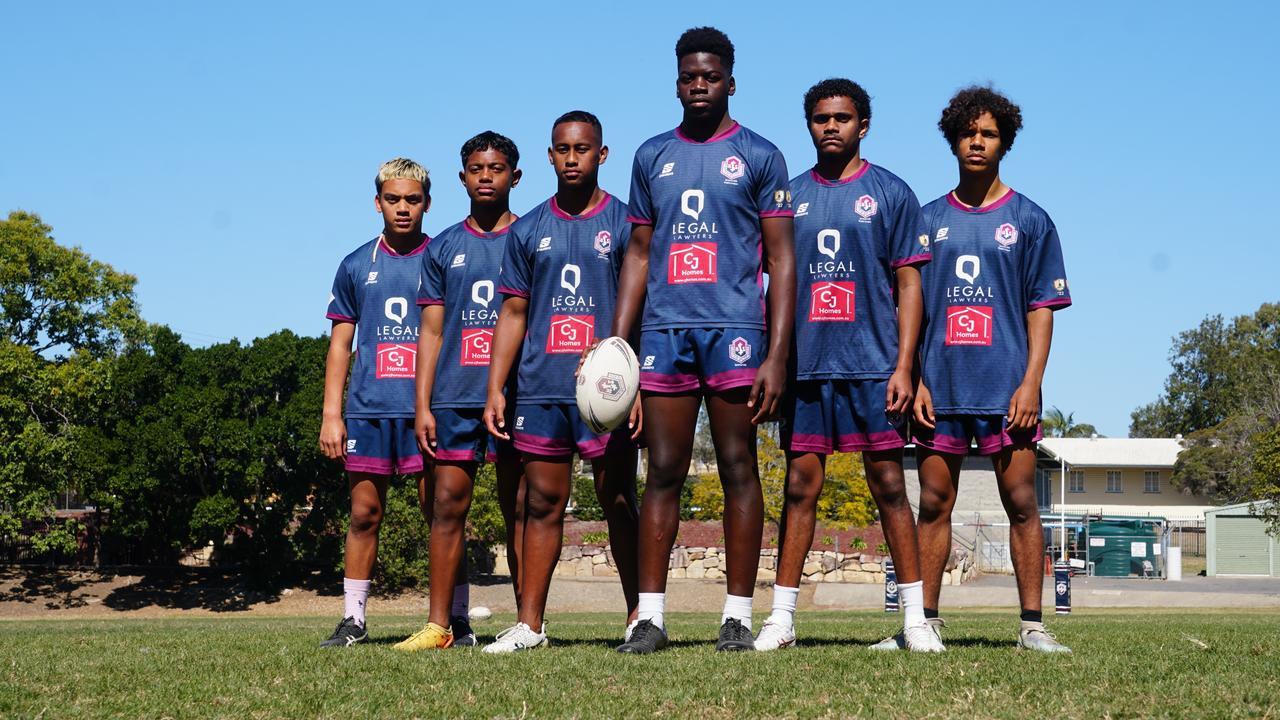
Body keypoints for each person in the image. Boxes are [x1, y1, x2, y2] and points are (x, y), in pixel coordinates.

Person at [612, 27, 796, 654]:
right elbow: (637, 254)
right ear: (676, 82)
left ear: (730, 83)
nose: (698, 85)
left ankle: (737, 616)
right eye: (689, 76)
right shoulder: (650, 155)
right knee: (661, 471)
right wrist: (618, 347)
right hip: (664, 330)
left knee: (739, 469)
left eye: (710, 76)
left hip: (737, 332)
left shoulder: (760, 154)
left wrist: (776, 353)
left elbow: (783, 259)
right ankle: (651, 618)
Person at [755, 79, 941, 652]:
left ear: (863, 125)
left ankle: (916, 621)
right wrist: (774, 360)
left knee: (889, 486)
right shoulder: (786, 197)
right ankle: (781, 619)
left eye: (841, 117)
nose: (830, 126)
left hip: (873, 364)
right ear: (808, 125)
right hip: (807, 365)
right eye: (819, 118)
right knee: (800, 487)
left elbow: (910, 284)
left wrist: (905, 366)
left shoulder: (891, 193)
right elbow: (767, 283)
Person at [907, 86, 1072, 653]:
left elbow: (1041, 308)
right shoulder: (925, 220)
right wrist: (916, 376)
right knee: (932, 503)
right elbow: (911, 307)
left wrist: (1031, 381)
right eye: (968, 133)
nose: (978, 142)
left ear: (1005, 143)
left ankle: (1032, 626)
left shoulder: (1030, 220)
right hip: (941, 387)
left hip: (1007, 389)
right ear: (953, 140)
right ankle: (922, 623)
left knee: (1022, 502)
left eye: (989, 134)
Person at [480, 110, 641, 653]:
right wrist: (496, 387)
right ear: (549, 156)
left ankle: (639, 617)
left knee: (617, 498)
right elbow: (514, 314)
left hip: (609, 391)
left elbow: (639, 307)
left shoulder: (624, 222)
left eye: (583, 149)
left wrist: (636, 381)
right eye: (562, 150)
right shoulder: (527, 230)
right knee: (541, 504)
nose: (572, 159)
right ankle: (530, 625)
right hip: (542, 386)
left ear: (602, 154)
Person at [393, 132, 526, 651]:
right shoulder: (444, 246)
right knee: (447, 506)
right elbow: (430, 331)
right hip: (452, 397)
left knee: (520, 508)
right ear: (462, 178)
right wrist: (422, 404)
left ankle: (526, 622)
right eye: (476, 168)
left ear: (515, 176)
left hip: (515, 396)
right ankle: (440, 625)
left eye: (496, 168)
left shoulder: (533, 234)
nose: (486, 176)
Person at [318, 158, 432, 648]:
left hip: (429, 409)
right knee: (364, 513)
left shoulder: (445, 257)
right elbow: (340, 344)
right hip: (369, 409)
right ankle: (353, 620)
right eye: (393, 199)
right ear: (377, 201)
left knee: (442, 514)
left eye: (412, 199)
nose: (402, 208)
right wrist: (331, 414)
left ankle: (455, 619)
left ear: (427, 201)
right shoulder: (354, 264)